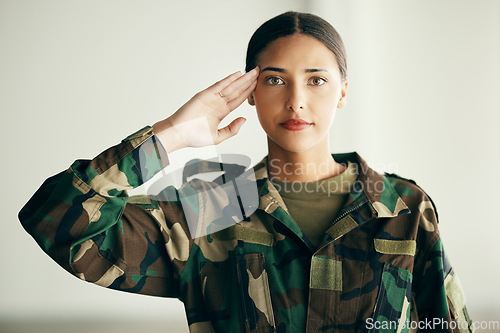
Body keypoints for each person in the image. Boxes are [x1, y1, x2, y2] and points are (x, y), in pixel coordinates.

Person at [19, 11, 473, 333]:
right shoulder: (208, 209)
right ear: (250, 92)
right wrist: (171, 135)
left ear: (342, 92)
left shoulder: (402, 207)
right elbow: (57, 222)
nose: (296, 100)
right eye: (274, 79)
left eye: (316, 80)